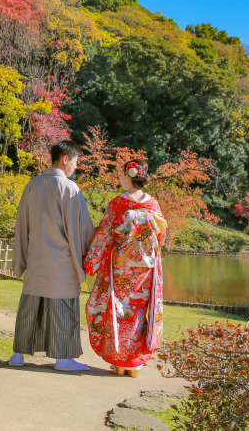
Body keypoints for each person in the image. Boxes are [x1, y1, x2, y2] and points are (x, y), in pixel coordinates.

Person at [9, 140, 96, 371]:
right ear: (65, 159)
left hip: (36, 259)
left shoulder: (33, 185)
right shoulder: (69, 188)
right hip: (61, 261)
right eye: (76, 161)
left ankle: (18, 356)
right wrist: (92, 251)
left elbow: (22, 224)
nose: (76, 166)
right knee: (63, 308)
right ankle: (63, 359)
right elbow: (82, 227)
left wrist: (22, 257)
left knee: (30, 306)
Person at [84, 160, 167, 377]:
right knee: (139, 311)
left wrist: (90, 262)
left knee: (119, 311)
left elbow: (103, 234)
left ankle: (120, 361)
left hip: (121, 268)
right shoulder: (153, 205)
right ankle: (134, 363)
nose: (119, 178)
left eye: (120, 174)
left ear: (127, 177)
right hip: (145, 269)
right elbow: (161, 237)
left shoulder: (118, 204)